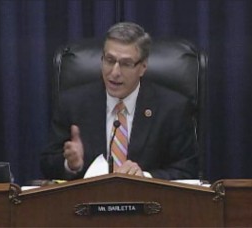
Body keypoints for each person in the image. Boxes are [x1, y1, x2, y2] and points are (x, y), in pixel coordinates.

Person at [40, 22, 198, 180]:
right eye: (109, 60)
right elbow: (47, 165)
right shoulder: (72, 103)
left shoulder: (173, 108)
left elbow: (187, 170)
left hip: (149, 202)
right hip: (87, 201)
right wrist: (71, 165)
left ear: (143, 67)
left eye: (126, 64)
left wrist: (145, 177)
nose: (114, 72)